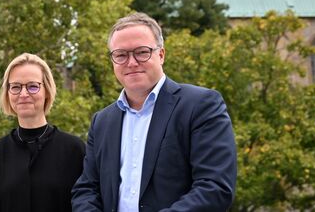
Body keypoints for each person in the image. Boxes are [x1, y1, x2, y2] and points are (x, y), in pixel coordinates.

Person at [71, 12, 237, 211]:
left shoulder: (200, 106)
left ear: (161, 54)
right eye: (121, 55)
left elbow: (215, 187)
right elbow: (86, 189)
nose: (131, 62)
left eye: (142, 52)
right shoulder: (102, 122)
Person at [0, 53, 85, 212]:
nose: (23, 94)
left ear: (47, 91)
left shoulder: (75, 150)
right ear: (8, 94)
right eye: (15, 87)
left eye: (32, 86)